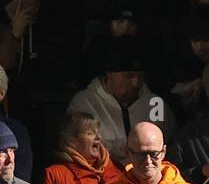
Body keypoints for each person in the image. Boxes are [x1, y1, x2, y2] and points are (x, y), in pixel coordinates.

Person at [68, 38, 176, 167]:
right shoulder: (85, 104)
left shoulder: (155, 103)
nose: (136, 83)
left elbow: (167, 144)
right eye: (129, 76)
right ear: (109, 74)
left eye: (140, 76)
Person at [39, 111, 124, 184]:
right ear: (71, 142)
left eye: (98, 132)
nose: (98, 137)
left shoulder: (119, 170)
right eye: (90, 133)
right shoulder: (55, 175)